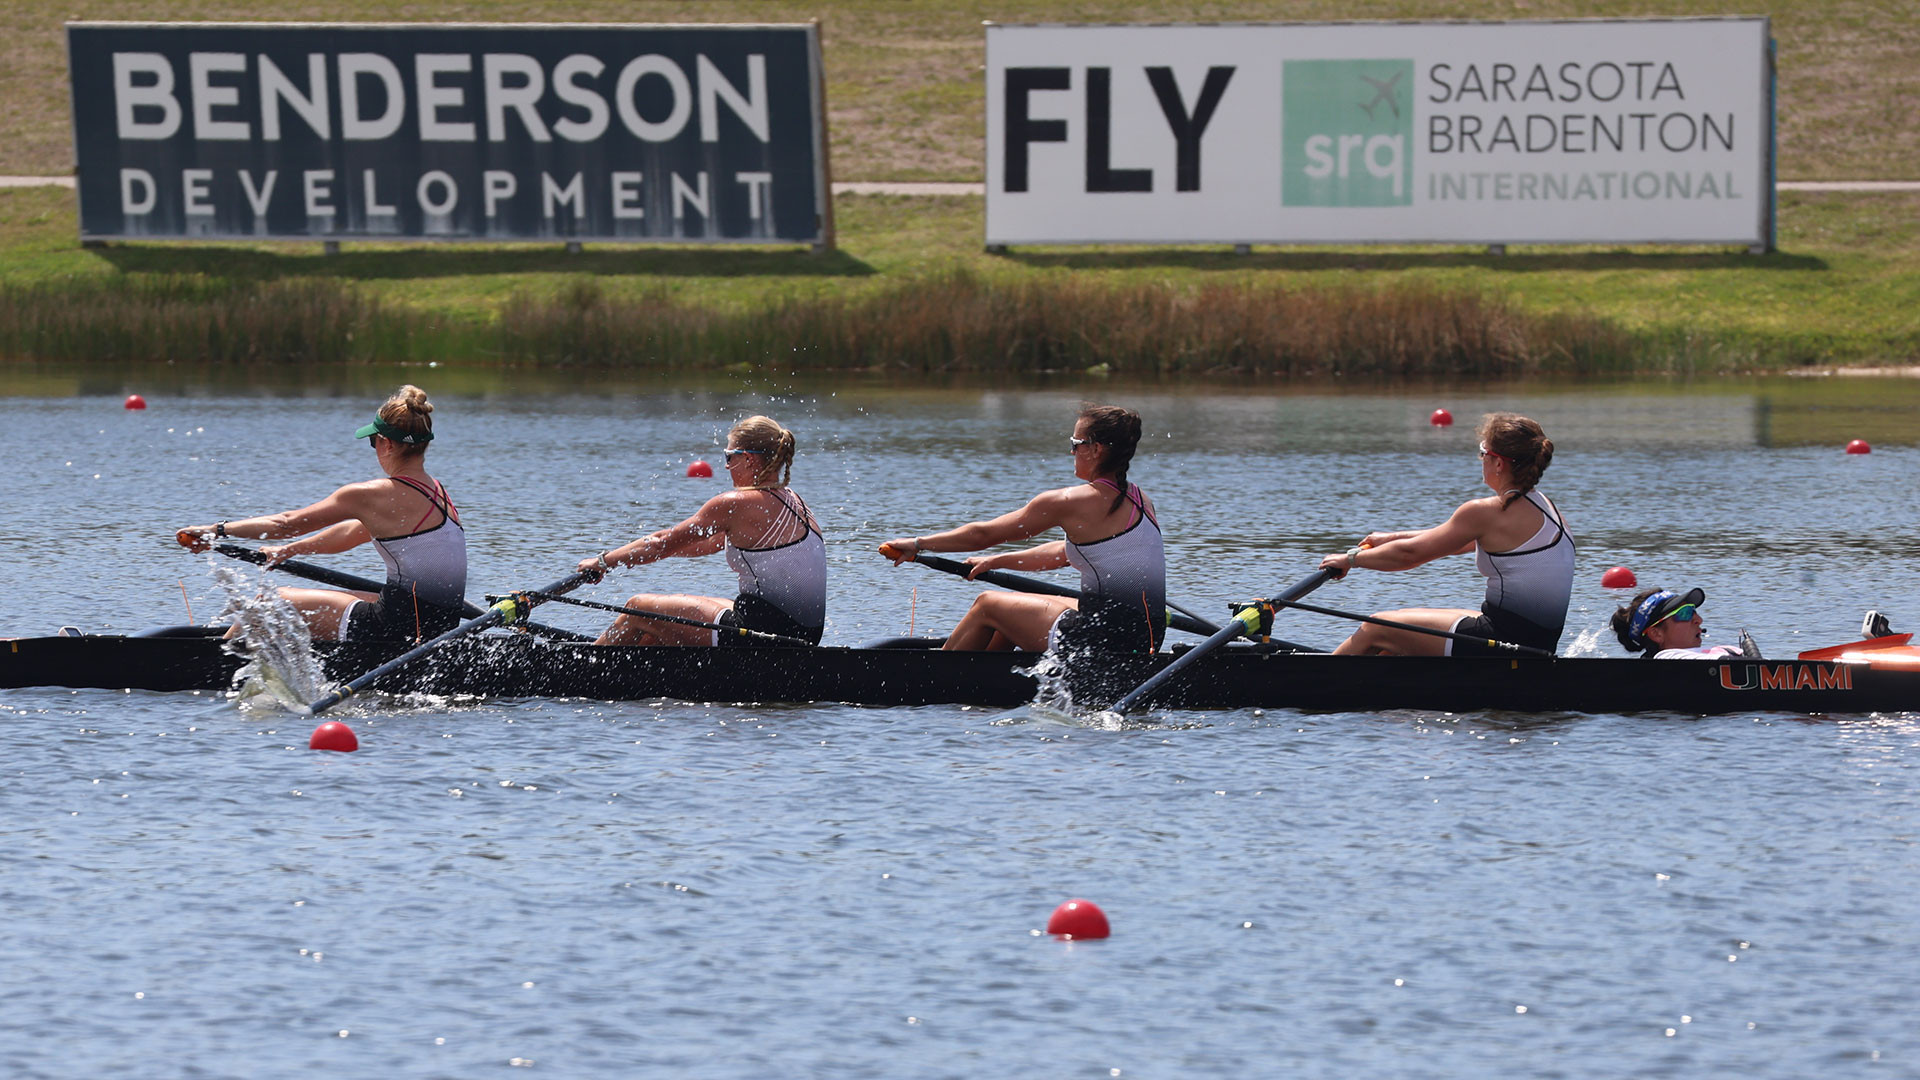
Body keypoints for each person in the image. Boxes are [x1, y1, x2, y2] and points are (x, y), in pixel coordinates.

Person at [176, 385, 465, 642]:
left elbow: (284, 523)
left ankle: (212, 664)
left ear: (386, 443)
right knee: (338, 600)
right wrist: (288, 551)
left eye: (373, 441)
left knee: (269, 603)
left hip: (400, 626)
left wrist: (216, 531)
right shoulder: (438, 493)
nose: (374, 449)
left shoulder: (370, 493)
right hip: (440, 622)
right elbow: (354, 532)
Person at [881, 404, 1165, 654]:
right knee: (1015, 610)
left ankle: (936, 679)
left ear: (1096, 449)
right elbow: (1064, 553)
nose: (1071, 451)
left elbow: (985, 535)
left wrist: (918, 544)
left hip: (1103, 639)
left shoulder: (1068, 501)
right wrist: (997, 562)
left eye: (1075, 442)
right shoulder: (1139, 499)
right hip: (1144, 635)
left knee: (987, 605)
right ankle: (988, 680)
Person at [1316, 412, 1573, 656]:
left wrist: (1349, 559)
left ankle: (1315, 682)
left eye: (1483, 452)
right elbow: (1452, 540)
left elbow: (1410, 555)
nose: (1480, 459)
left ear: (1498, 462)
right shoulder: (1546, 507)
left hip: (1506, 640)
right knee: (1398, 637)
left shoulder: (1485, 511)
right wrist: (1390, 538)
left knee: (1376, 626)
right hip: (1536, 641)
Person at [577, 415, 825, 646]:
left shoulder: (737, 503)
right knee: (657, 626)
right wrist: (642, 554)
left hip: (765, 635)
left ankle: (583, 670)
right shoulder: (794, 500)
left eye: (729, 457)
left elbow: (660, 543)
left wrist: (602, 561)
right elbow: (703, 543)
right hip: (803, 635)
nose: (726, 467)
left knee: (637, 609)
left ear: (748, 458)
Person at [1612, 587, 1754, 658]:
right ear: (1656, 634)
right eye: (1685, 613)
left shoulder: (1727, 649)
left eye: (1693, 611)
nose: (1699, 620)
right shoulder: (1667, 658)